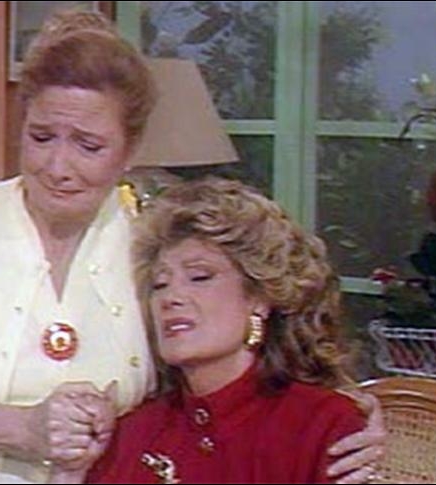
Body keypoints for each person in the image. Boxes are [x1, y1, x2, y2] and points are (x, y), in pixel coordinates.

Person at [0, 10, 384, 484]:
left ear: (129, 151)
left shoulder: (150, 245)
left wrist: (353, 411)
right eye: (42, 137)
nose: (58, 166)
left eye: (88, 145)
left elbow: (227, 362)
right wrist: (25, 429)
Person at [56, 177, 378, 484]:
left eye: (199, 277)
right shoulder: (131, 433)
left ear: (259, 298)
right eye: (160, 284)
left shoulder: (324, 424)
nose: (172, 297)